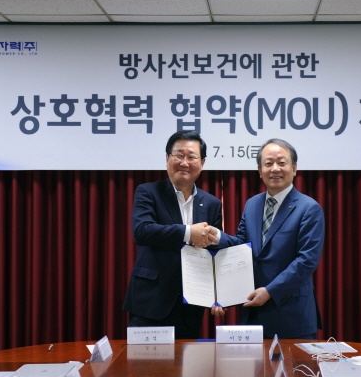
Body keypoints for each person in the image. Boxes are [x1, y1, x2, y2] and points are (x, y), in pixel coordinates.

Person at [207, 138, 325, 339]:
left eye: (282, 162)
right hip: (253, 313)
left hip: (291, 315)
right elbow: (242, 247)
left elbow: (306, 261)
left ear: (294, 168)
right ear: (260, 171)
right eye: (268, 163)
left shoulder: (309, 208)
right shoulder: (252, 204)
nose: (275, 169)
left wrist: (270, 291)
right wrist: (216, 236)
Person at [122, 130, 223, 339]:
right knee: (143, 361)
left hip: (191, 307)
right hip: (151, 303)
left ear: (202, 162)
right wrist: (188, 232)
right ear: (167, 158)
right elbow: (142, 231)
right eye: (179, 155)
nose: (184, 162)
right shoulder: (148, 192)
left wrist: (219, 294)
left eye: (191, 157)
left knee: (187, 361)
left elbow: (214, 253)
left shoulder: (212, 203)